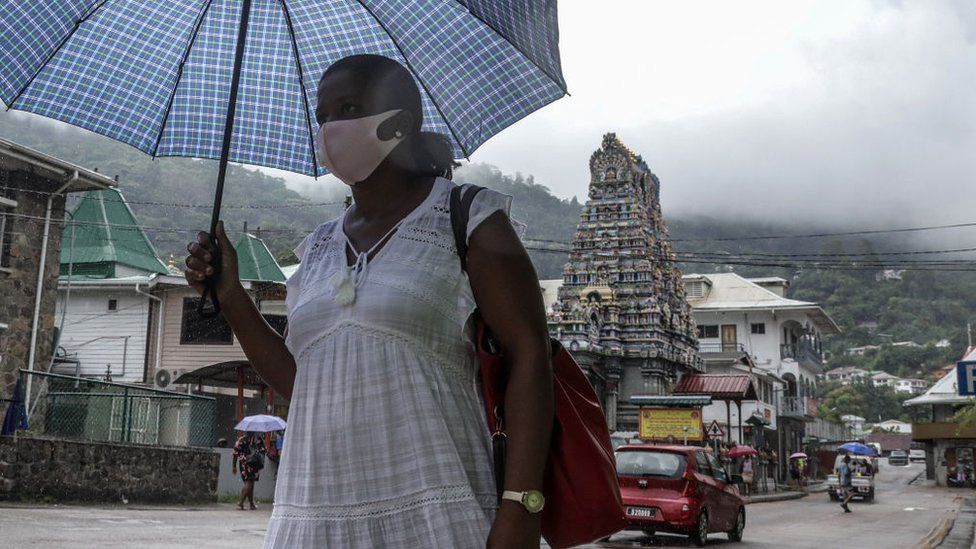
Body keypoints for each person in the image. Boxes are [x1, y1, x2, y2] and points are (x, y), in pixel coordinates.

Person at [184, 54, 553, 548]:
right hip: (312, 520)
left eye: (349, 108)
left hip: (439, 516)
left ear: (401, 122)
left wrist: (521, 509)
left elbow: (531, 356)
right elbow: (301, 379)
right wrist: (230, 295)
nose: (331, 128)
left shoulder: (468, 218)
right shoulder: (316, 248)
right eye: (322, 115)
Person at [233, 432, 267, 510]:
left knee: (249, 483)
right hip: (254, 463)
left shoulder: (241, 439)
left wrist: (234, 466)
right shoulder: (258, 439)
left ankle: (251, 504)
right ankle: (240, 503)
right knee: (249, 483)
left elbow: (235, 452)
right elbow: (263, 451)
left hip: (243, 463)